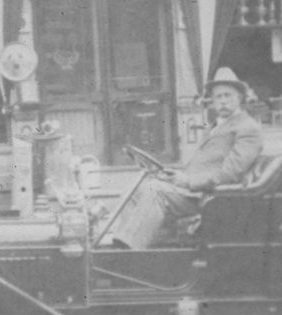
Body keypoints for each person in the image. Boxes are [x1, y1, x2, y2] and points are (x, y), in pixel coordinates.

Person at [110, 67, 264, 249]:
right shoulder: (216, 126)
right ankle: (127, 243)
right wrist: (175, 175)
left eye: (227, 95)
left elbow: (230, 173)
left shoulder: (248, 128)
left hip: (209, 196)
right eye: (218, 97)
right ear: (212, 101)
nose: (222, 101)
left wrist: (188, 181)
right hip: (194, 190)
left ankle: (128, 252)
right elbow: (203, 164)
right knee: (137, 187)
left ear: (239, 97)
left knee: (154, 190)